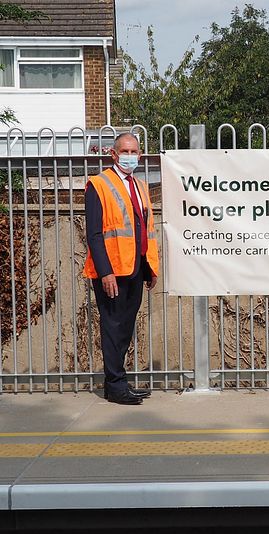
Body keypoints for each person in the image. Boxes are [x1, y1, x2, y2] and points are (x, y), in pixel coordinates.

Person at [83, 132, 159, 405]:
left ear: (140, 155)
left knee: (124, 327)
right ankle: (116, 386)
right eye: (124, 151)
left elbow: (144, 228)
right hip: (112, 271)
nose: (130, 156)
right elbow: (93, 233)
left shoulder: (140, 185)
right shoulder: (99, 184)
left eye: (134, 152)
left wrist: (149, 268)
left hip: (136, 267)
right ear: (113, 154)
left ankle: (118, 383)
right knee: (113, 327)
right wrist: (105, 272)